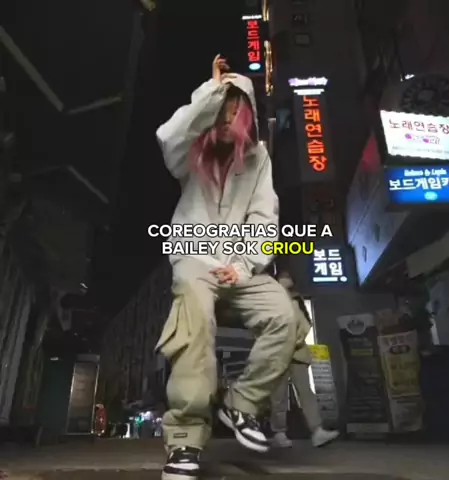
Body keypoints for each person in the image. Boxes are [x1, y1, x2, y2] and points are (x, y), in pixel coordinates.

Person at [155, 55, 297, 480]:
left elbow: (264, 216)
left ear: (246, 117)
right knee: (195, 317)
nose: (225, 120)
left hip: (238, 265)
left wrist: (245, 265)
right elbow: (167, 136)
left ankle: (242, 404)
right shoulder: (190, 151)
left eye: (233, 112)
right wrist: (211, 92)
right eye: (220, 111)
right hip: (195, 257)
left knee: (285, 315)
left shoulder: (258, 159)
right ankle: (184, 440)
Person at [270, 263, 339, 448]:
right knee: (278, 395)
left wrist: (296, 338)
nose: (285, 280)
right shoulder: (269, 298)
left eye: (287, 276)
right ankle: (279, 432)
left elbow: (306, 323)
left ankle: (317, 430)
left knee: (306, 392)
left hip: (298, 351)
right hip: (277, 352)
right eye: (282, 276)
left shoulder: (297, 299)